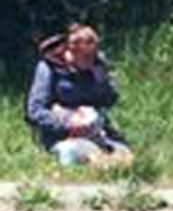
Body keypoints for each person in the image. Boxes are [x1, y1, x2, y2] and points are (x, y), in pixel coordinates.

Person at [25, 24, 132, 167]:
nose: (91, 59)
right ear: (71, 50)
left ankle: (105, 166)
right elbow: (35, 111)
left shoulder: (97, 66)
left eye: (93, 54)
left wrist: (102, 81)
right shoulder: (49, 68)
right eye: (86, 55)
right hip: (62, 136)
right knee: (77, 152)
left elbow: (111, 99)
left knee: (124, 155)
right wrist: (69, 123)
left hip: (97, 132)